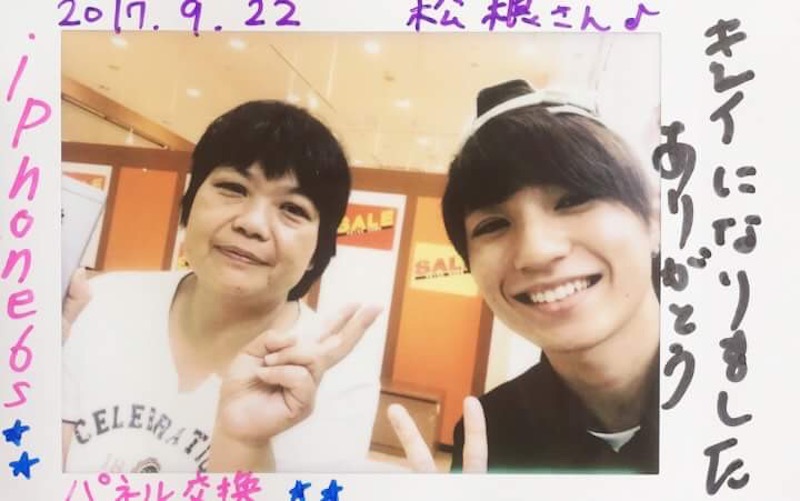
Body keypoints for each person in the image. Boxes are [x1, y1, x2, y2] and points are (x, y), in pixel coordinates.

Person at [62, 100, 382, 473]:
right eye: (233, 187)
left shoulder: (329, 374)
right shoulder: (102, 304)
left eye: (293, 209)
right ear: (190, 202)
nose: (252, 224)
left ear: (318, 249)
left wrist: (246, 445)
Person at [389, 79, 660, 473]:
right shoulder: (491, 437)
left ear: (654, 220)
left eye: (573, 199)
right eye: (493, 225)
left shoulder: (745, 389)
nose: (536, 252)